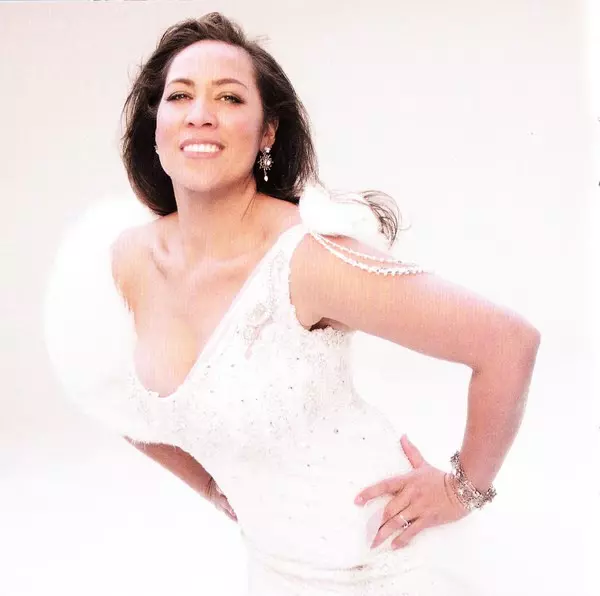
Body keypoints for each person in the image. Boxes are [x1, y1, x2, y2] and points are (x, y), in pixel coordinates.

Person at [44, 12, 541, 596]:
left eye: (229, 97)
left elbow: (509, 344)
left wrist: (462, 489)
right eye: (180, 95)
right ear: (157, 127)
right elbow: (111, 394)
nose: (200, 112)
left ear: (267, 133)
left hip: (389, 567)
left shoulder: (307, 261)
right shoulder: (120, 263)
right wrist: (210, 485)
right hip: (274, 569)